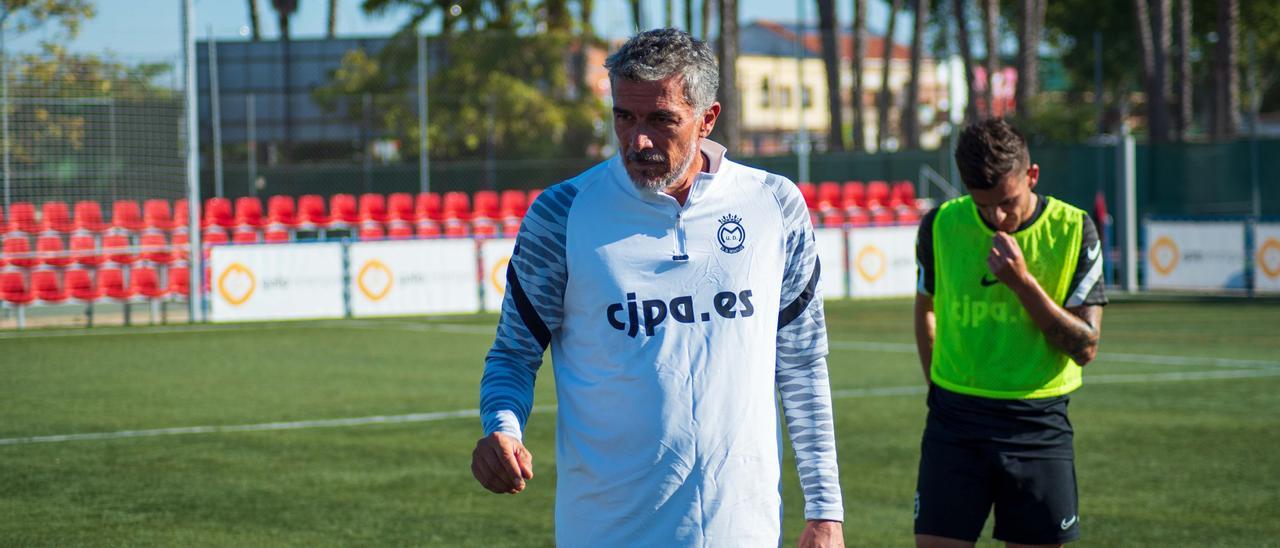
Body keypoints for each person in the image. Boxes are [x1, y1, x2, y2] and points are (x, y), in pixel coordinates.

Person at [471, 28, 845, 547]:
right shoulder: (561, 214)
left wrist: (825, 510)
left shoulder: (773, 205)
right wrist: (503, 428)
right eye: (624, 117)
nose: (638, 140)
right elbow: (512, 353)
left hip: (742, 528)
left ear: (707, 118)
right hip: (606, 530)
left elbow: (802, 363)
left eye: (661, 119)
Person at [912, 118, 1107, 548]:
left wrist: (1023, 284)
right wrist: (938, 390)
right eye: (983, 206)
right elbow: (925, 309)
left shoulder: (1076, 230)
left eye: (1007, 202)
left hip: (1037, 425)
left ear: (1031, 176)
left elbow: (1086, 346)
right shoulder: (939, 225)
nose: (997, 217)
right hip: (954, 422)